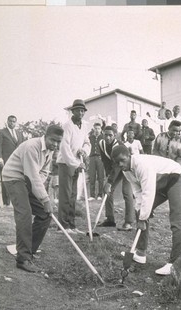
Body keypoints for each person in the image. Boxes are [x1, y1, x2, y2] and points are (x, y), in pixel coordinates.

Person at [110, 146, 181, 275]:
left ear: (129, 155)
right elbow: (138, 192)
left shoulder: (142, 165)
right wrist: (141, 213)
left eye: (122, 160)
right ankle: (140, 253)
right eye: (117, 162)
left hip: (177, 178)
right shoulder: (126, 170)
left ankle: (174, 262)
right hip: (162, 183)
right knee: (140, 211)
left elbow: (148, 192)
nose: (120, 164)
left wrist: (143, 218)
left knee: (176, 220)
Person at [2, 125, 64, 272]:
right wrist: (45, 199)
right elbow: (32, 175)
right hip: (13, 177)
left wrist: (40, 195)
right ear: (45, 136)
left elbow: (43, 173)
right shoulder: (32, 146)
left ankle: (29, 251)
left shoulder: (49, 151)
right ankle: (22, 259)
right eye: (53, 140)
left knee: (45, 214)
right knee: (24, 214)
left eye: (58, 142)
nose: (55, 144)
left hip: (27, 181)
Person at [57, 99, 91, 234]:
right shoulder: (67, 126)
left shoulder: (84, 126)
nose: (81, 113)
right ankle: (62, 226)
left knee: (73, 195)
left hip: (77, 162)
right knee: (65, 195)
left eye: (83, 111)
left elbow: (87, 142)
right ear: (73, 111)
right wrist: (77, 163)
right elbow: (64, 149)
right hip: (66, 163)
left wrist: (84, 150)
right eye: (78, 110)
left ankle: (71, 225)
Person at [99, 126, 134, 231]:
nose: (108, 137)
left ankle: (128, 222)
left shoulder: (117, 145)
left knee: (126, 192)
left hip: (127, 166)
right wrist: (108, 177)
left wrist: (110, 181)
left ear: (115, 135)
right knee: (107, 191)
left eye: (110, 135)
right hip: (116, 166)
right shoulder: (101, 143)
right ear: (103, 134)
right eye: (106, 135)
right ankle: (110, 219)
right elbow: (105, 161)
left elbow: (117, 165)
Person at [0, 115, 24, 205]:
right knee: (5, 180)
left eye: (14, 121)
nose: (12, 123)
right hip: (5, 161)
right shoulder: (1, 132)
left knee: (16, 181)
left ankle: (15, 202)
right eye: (10, 121)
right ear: (7, 121)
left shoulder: (19, 133)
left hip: (17, 161)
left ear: (16, 122)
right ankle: (6, 202)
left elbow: (22, 147)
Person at [88, 122, 104, 201]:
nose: (97, 130)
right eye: (95, 128)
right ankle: (92, 195)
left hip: (100, 158)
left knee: (100, 177)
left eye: (98, 128)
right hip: (92, 158)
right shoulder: (90, 137)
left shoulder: (103, 138)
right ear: (93, 129)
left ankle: (100, 195)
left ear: (101, 129)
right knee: (92, 176)